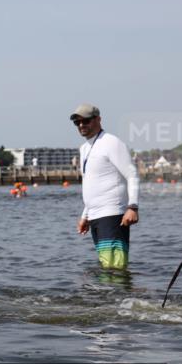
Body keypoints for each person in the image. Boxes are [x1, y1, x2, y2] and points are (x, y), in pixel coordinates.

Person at [71, 104, 139, 270]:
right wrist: (85, 215)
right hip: (95, 216)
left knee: (115, 268)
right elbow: (91, 184)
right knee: (106, 266)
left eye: (85, 121)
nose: (81, 125)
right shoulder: (84, 148)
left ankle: (124, 296)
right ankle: (109, 297)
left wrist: (133, 207)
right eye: (77, 122)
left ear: (98, 119)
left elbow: (132, 175)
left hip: (112, 214)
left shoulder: (111, 142)